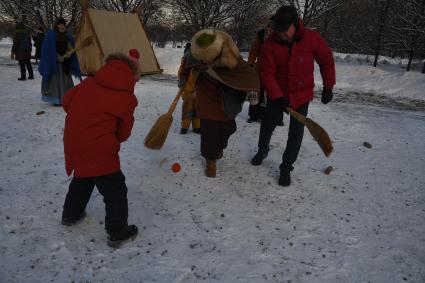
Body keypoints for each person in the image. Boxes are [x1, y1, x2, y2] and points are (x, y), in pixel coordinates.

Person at [61, 50, 140, 248]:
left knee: (84, 176)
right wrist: (110, 138)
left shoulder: (89, 82)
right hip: (98, 145)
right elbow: (124, 132)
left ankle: (71, 215)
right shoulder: (126, 98)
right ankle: (118, 232)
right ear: (131, 76)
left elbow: (66, 101)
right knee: (115, 189)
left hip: (74, 139)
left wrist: (84, 117)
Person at [251, 5, 336, 186]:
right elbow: (266, 73)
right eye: (278, 30)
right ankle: (262, 149)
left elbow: (326, 59)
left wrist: (328, 86)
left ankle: (286, 168)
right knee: (267, 125)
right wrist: (278, 96)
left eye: (284, 30)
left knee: (296, 134)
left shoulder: (311, 38)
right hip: (278, 95)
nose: (281, 34)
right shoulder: (269, 43)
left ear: (295, 24)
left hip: (301, 95)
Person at [185, 29, 260, 177]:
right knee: (209, 131)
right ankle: (210, 161)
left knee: (228, 128)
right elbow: (186, 66)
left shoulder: (230, 57)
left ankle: (218, 147)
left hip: (225, 99)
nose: (205, 62)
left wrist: (253, 92)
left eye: (208, 59)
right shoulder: (196, 54)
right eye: (202, 59)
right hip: (206, 95)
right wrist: (184, 80)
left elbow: (249, 75)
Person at [38, 18, 81, 106]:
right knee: (56, 81)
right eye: (60, 24)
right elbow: (47, 51)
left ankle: (67, 99)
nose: (62, 26)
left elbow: (70, 47)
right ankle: (57, 99)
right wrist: (57, 57)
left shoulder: (67, 36)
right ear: (56, 25)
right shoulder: (50, 35)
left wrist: (69, 53)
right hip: (54, 64)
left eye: (63, 24)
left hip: (65, 63)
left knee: (65, 81)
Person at [177, 43, 201, 134]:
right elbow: (181, 74)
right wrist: (184, 85)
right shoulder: (186, 62)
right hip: (188, 90)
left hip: (198, 90)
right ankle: (185, 127)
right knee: (187, 109)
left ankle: (197, 127)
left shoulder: (200, 64)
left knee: (198, 109)